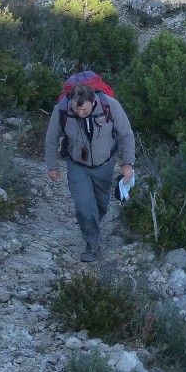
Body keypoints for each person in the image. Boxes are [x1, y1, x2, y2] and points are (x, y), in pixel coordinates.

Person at [45, 82, 136, 262]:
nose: (80, 113)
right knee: (84, 205)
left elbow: (126, 134)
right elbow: (52, 138)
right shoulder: (62, 110)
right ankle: (92, 244)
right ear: (70, 101)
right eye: (76, 109)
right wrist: (52, 166)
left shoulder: (110, 105)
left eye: (84, 110)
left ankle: (92, 225)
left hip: (105, 164)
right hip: (77, 165)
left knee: (101, 203)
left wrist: (128, 164)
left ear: (93, 101)